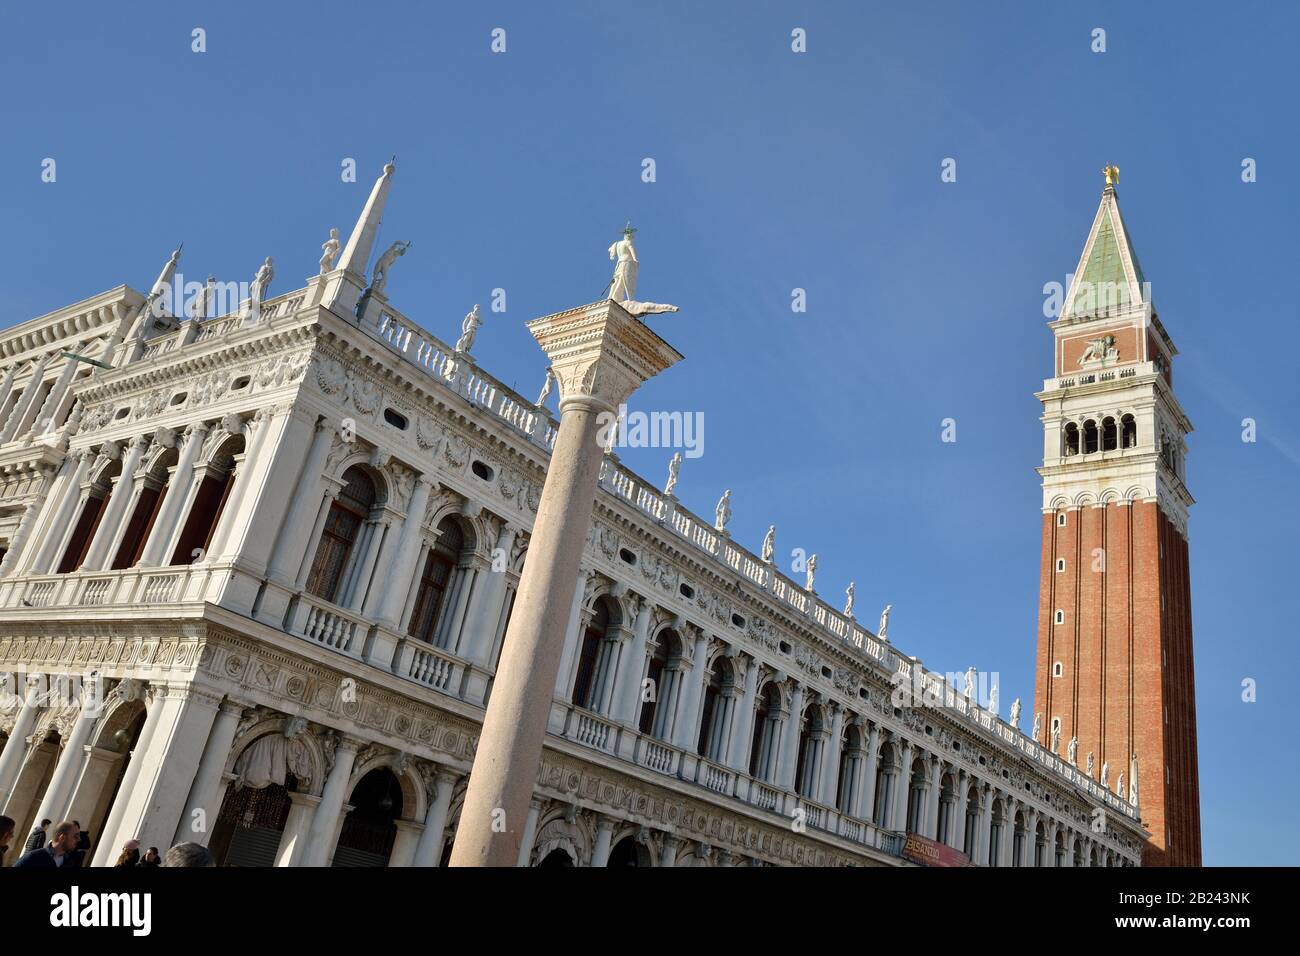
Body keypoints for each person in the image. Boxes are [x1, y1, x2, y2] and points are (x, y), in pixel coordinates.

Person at [14, 820, 80, 868]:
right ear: (62, 838)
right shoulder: (34, 857)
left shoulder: (71, 862)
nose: (79, 839)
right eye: (76, 836)